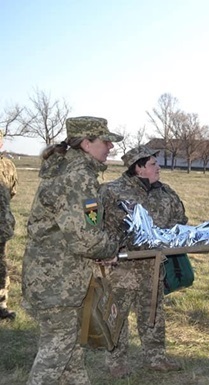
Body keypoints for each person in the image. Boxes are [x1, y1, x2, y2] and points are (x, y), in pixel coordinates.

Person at [21, 116, 123, 385]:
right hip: (58, 283)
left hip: (55, 278)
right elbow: (85, 238)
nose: (111, 146)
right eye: (105, 141)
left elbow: (84, 225)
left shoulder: (71, 171)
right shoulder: (78, 178)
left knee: (70, 349)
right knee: (56, 353)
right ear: (87, 144)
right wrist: (110, 247)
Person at [100, 145, 188, 378]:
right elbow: (96, 226)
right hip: (121, 267)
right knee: (117, 315)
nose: (158, 167)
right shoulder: (111, 191)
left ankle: (156, 358)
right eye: (152, 164)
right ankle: (116, 362)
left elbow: (180, 222)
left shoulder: (165, 192)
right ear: (138, 168)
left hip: (154, 265)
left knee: (153, 312)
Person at [0, 130, 18, 320]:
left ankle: (1, 304)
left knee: (1, 266)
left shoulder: (8, 166)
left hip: (1, 226)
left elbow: (12, 191)